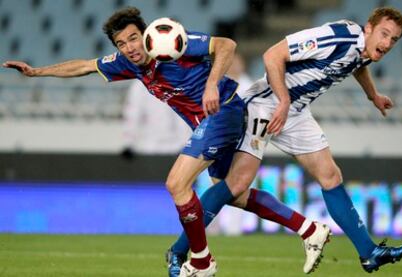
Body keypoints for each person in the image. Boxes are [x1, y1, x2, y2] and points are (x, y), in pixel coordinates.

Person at [4, 7, 328, 277]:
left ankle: (202, 261)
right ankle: (309, 229)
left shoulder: (175, 43)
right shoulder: (128, 64)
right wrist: (36, 73)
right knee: (236, 195)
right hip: (211, 123)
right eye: (122, 43)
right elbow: (85, 66)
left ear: (146, 35)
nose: (130, 47)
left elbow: (226, 44)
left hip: (224, 111)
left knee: (176, 183)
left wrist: (212, 84)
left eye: (133, 38)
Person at [167, 6, 402, 275]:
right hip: (267, 103)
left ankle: (369, 253)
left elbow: (358, 64)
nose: (388, 43)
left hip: (295, 111)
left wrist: (373, 96)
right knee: (236, 185)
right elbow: (273, 55)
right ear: (368, 28)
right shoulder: (336, 36)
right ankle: (178, 251)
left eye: (394, 39)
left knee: (331, 176)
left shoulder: (363, 49)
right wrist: (283, 101)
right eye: (385, 34)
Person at [120, 79, 191, 159]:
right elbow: (132, 115)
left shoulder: (177, 81)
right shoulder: (140, 85)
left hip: (176, 147)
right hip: (150, 147)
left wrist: (185, 144)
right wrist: (129, 143)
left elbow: (184, 114)